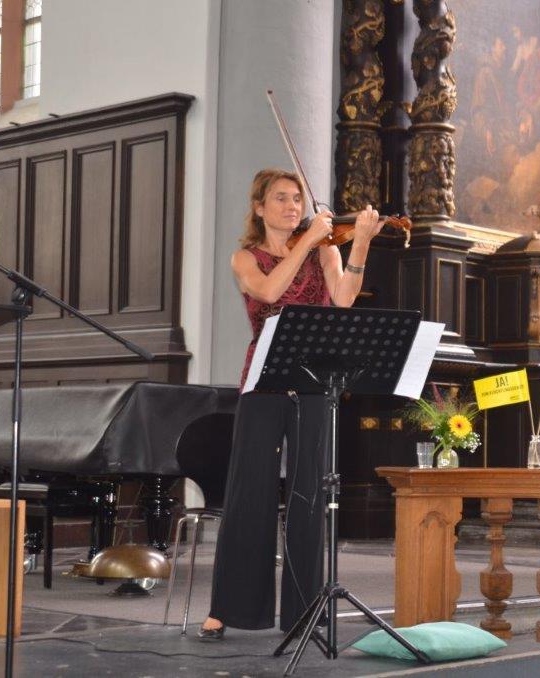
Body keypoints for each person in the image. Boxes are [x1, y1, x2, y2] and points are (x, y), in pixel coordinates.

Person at [199, 168, 382, 640]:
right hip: (262, 384)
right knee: (250, 495)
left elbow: (342, 300)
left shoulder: (323, 248)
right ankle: (230, 608)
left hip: (315, 383)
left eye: (298, 199)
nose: (293, 207)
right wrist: (308, 242)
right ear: (259, 207)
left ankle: (303, 609)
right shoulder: (246, 257)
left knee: (310, 497)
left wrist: (357, 243)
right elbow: (268, 291)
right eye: (281, 198)